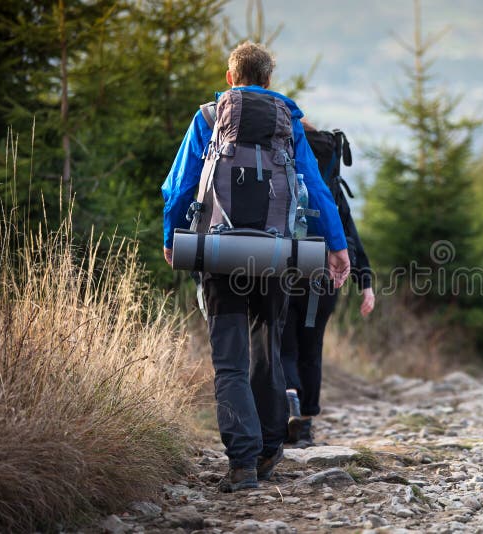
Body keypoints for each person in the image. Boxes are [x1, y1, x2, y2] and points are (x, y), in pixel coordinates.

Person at [161, 42, 350, 492]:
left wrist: (172, 237)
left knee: (230, 360)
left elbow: (179, 185)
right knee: (268, 352)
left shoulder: (209, 118)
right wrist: (337, 247)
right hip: (275, 255)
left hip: (220, 255)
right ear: (268, 80)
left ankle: (241, 465)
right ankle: (268, 451)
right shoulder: (290, 123)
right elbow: (317, 191)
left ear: (230, 77)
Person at [282, 125, 375, 447]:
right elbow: (348, 228)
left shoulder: (278, 162)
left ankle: (289, 399)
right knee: (312, 346)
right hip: (325, 269)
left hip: (281, 263)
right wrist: (366, 283)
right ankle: (305, 425)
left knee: (283, 342)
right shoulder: (330, 181)